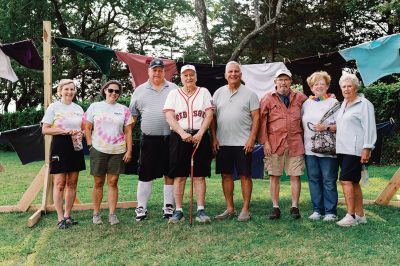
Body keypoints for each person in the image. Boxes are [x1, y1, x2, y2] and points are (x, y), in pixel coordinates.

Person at [129, 58, 178, 221]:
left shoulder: (174, 88)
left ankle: (168, 206)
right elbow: (132, 117)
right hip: (149, 139)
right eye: (154, 70)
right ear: (148, 72)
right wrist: (125, 135)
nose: (157, 73)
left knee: (170, 173)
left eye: (160, 70)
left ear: (164, 72)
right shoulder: (139, 90)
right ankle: (141, 207)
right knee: (145, 173)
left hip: (170, 138)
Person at [163, 64, 214, 224]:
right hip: (179, 136)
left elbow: (209, 114)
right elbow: (169, 116)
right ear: (181, 78)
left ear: (196, 77)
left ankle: (200, 209)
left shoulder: (204, 92)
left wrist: (200, 133)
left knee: (199, 175)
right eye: (185, 75)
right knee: (179, 176)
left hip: (200, 135)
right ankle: (178, 210)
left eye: (191, 75)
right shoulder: (173, 94)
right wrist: (181, 132)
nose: (189, 78)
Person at [211, 61, 260, 222]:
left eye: (236, 71)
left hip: (243, 143)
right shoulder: (217, 93)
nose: (233, 74)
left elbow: (256, 117)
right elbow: (212, 118)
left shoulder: (250, 94)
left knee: (245, 176)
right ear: (225, 75)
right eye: (230, 71)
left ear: (241, 74)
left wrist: (252, 139)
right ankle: (230, 208)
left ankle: (245, 209)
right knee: (226, 176)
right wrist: (214, 137)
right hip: (223, 142)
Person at [259, 69, 307, 220]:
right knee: (274, 175)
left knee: (295, 175)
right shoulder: (267, 98)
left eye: (286, 79)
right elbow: (261, 122)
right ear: (275, 82)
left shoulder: (300, 97)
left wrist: (326, 97)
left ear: (291, 82)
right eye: (280, 79)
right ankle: (275, 207)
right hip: (274, 142)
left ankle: (295, 207)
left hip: (295, 142)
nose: (283, 82)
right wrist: (265, 142)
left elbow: (314, 107)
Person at [85, 80, 133, 225]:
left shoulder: (124, 109)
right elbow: (87, 127)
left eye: (117, 91)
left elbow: (128, 131)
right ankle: (96, 213)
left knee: (113, 182)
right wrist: (90, 146)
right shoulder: (95, 106)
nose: (113, 93)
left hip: (118, 150)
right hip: (98, 149)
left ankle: (112, 214)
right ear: (105, 90)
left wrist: (129, 150)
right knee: (98, 182)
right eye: (111, 90)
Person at [41, 79, 85, 229]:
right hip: (59, 146)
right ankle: (60, 218)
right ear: (60, 91)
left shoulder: (79, 108)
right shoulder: (54, 107)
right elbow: (45, 129)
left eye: (72, 89)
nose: (69, 92)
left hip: (76, 146)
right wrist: (65, 131)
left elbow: (85, 128)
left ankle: (67, 216)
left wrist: (82, 133)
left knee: (72, 183)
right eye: (66, 89)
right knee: (59, 183)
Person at [336, 73, 376, 227]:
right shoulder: (343, 104)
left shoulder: (364, 104)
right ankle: (360, 215)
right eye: (344, 86)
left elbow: (370, 127)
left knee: (345, 180)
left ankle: (350, 216)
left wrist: (367, 147)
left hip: (355, 149)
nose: (346, 89)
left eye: (349, 86)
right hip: (342, 149)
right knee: (353, 182)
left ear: (355, 87)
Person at [301, 71, 339, 221]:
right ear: (311, 87)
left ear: (327, 86)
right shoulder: (306, 103)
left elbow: (342, 124)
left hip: (328, 149)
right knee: (314, 179)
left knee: (329, 179)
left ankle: (330, 211)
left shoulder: (333, 103)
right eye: (315, 84)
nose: (319, 86)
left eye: (322, 84)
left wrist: (326, 127)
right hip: (309, 148)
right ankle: (318, 210)